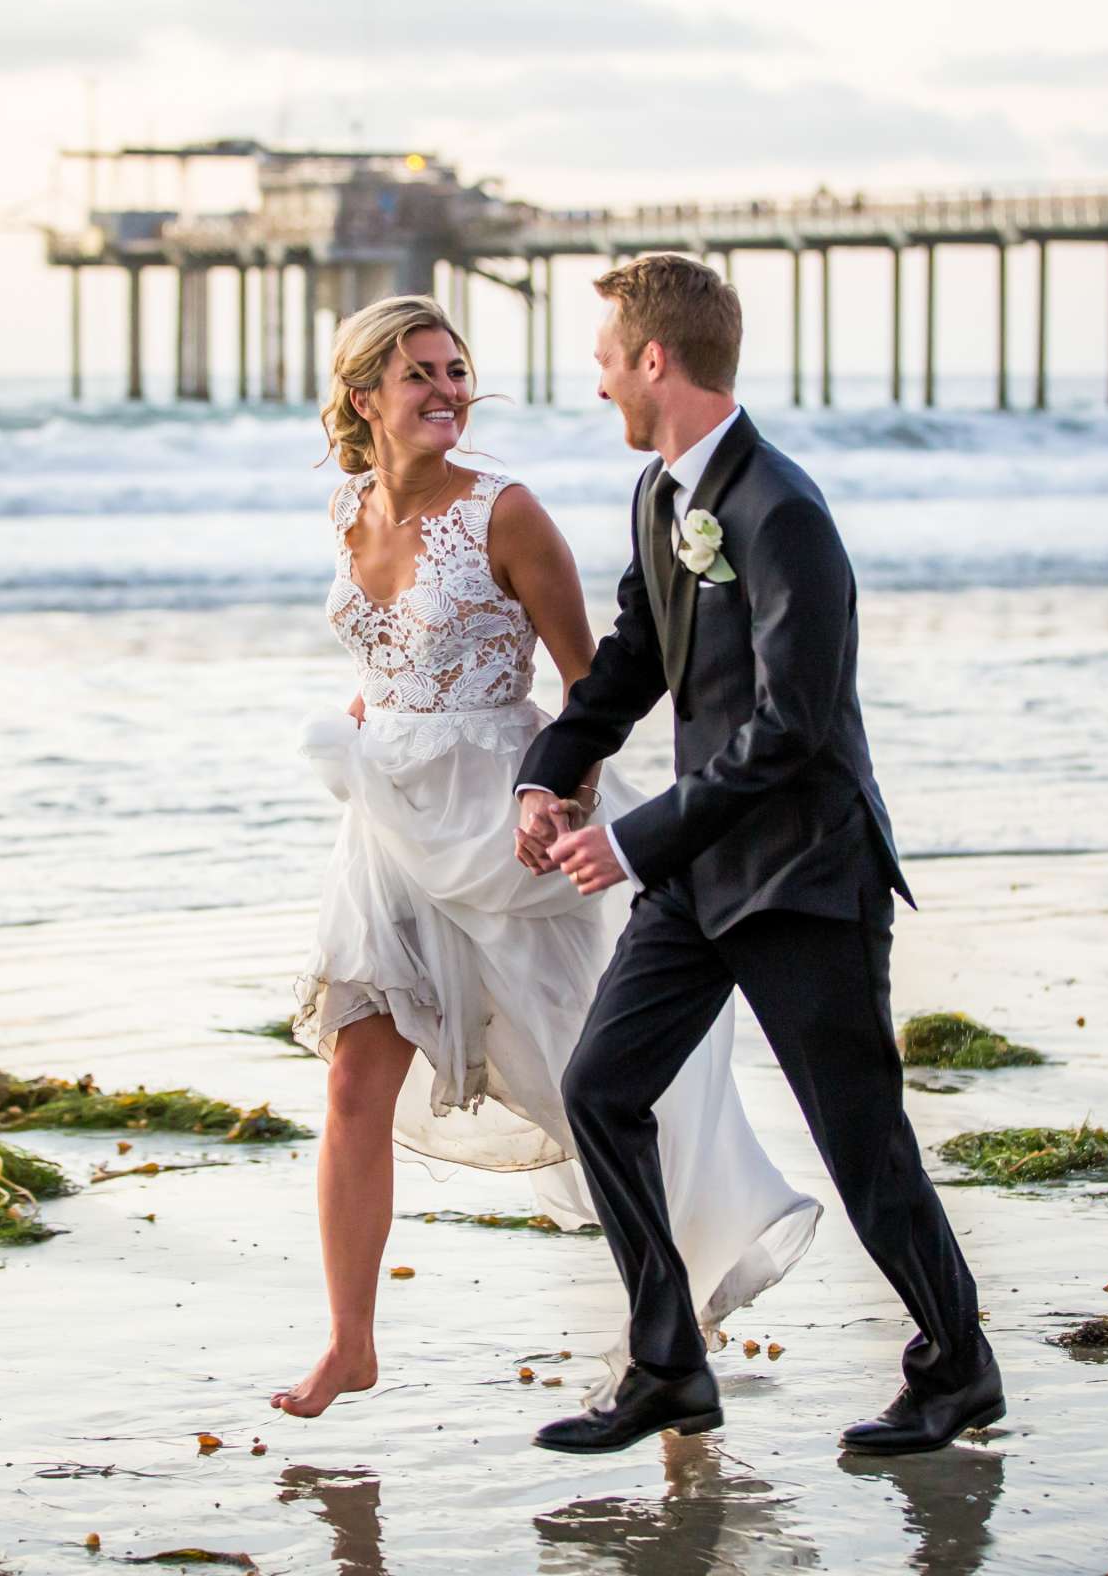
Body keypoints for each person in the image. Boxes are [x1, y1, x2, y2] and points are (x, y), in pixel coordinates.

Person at [273, 294, 819, 1419]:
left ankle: (675, 1326)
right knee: (354, 1074)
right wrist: (377, 711)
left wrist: (565, 807)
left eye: (455, 371)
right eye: (419, 373)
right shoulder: (345, 509)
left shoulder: (507, 514)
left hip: (509, 831)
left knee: (593, 1090)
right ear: (364, 393)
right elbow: (387, 658)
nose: (445, 391)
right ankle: (350, 1340)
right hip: (387, 823)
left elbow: (590, 685)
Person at [515, 255, 1005, 1456]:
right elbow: (636, 654)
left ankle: (958, 1365)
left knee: (861, 1142)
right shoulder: (660, 495)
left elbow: (793, 732)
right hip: (700, 873)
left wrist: (629, 840)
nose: (596, 384)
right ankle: (667, 1366)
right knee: (602, 1090)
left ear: (654, 360)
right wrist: (549, 766)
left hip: (803, 874)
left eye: (603, 360)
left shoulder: (784, 513)